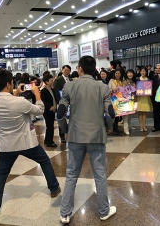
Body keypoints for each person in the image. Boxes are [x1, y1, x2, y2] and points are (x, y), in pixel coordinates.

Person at [0, 69, 60, 222]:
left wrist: (15, 94)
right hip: (26, 143)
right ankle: (54, 188)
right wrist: (37, 94)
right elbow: (40, 110)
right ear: (8, 83)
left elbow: (8, 105)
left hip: (6, 145)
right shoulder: (20, 102)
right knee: (44, 161)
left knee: (0, 175)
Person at [57, 56, 116, 224]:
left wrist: (65, 130)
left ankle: (65, 213)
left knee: (71, 175)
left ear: (80, 69)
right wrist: (109, 126)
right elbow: (110, 112)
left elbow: (60, 113)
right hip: (97, 136)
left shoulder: (69, 86)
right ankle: (104, 211)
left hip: (75, 135)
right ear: (95, 69)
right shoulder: (102, 87)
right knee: (99, 175)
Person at [53, 65, 72, 143]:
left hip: (71, 102)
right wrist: (58, 102)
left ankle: (70, 133)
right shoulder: (58, 80)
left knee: (70, 118)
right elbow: (56, 91)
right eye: (65, 70)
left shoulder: (71, 80)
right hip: (62, 102)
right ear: (62, 71)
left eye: (68, 70)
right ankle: (62, 135)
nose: (66, 72)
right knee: (61, 117)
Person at [41, 74, 59, 147]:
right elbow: (43, 101)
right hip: (47, 111)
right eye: (51, 80)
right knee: (50, 126)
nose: (52, 82)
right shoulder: (43, 91)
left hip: (53, 110)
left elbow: (55, 98)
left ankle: (46, 140)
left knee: (49, 126)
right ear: (46, 82)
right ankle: (50, 142)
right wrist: (49, 107)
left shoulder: (52, 89)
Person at [136, 67, 153, 131]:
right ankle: (140, 126)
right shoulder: (137, 79)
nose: (143, 72)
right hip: (139, 97)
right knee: (140, 112)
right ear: (140, 72)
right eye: (141, 71)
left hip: (146, 97)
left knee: (144, 112)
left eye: (144, 71)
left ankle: (144, 125)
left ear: (146, 72)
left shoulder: (148, 79)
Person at [108, 69, 123, 135]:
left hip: (120, 99)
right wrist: (112, 89)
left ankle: (116, 127)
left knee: (118, 114)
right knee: (114, 114)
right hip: (113, 99)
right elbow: (107, 89)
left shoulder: (121, 81)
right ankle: (114, 127)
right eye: (116, 73)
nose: (117, 75)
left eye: (119, 73)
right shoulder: (111, 81)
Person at [122, 69, 136, 135]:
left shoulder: (134, 81)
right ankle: (126, 129)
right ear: (126, 74)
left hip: (132, 100)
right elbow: (123, 90)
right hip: (126, 100)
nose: (130, 74)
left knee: (131, 114)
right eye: (128, 73)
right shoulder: (124, 82)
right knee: (126, 115)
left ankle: (130, 126)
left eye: (131, 73)